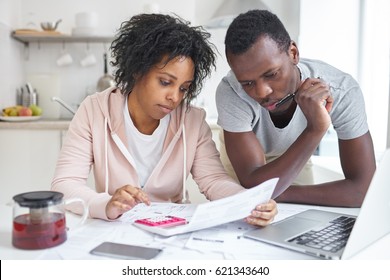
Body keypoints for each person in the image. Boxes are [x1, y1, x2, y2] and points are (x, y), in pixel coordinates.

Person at [51, 13, 277, 226]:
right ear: (137, 70)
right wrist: (106, 204)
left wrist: (248, 202)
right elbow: (65, 184)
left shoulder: (192, 121)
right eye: (165, 82)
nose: (175, 97)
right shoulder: (94, 110)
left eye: (184, 88)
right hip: (114, 227)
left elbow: (214, 181)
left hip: (171, 230)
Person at [216, 9, 376, 207]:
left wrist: (270, 193)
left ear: (293, 53)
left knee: (297, 223)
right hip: (244, 164)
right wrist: (315, 129)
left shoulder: (341, 89)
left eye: (271, 74)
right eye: (247, 83)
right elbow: (251, 180)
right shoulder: (231, 91)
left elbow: (362, 191)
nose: (262, 92)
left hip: (296, 153)